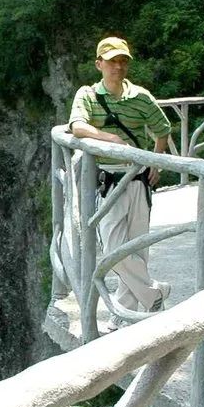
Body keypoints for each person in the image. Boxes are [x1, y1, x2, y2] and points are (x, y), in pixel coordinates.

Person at [68, 35, 172, 329]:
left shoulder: (140, 97)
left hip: (138, 180)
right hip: (110, 181)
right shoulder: (88, 95)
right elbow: (77, 126)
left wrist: (156, 160)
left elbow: (162, 129)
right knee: (114, 249)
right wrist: (109, 138)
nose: (118, 66)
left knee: (137, 247)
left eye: (123, 61)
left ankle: (123, 313)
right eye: (113, 61)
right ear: (99, 63)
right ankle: (155, 294)